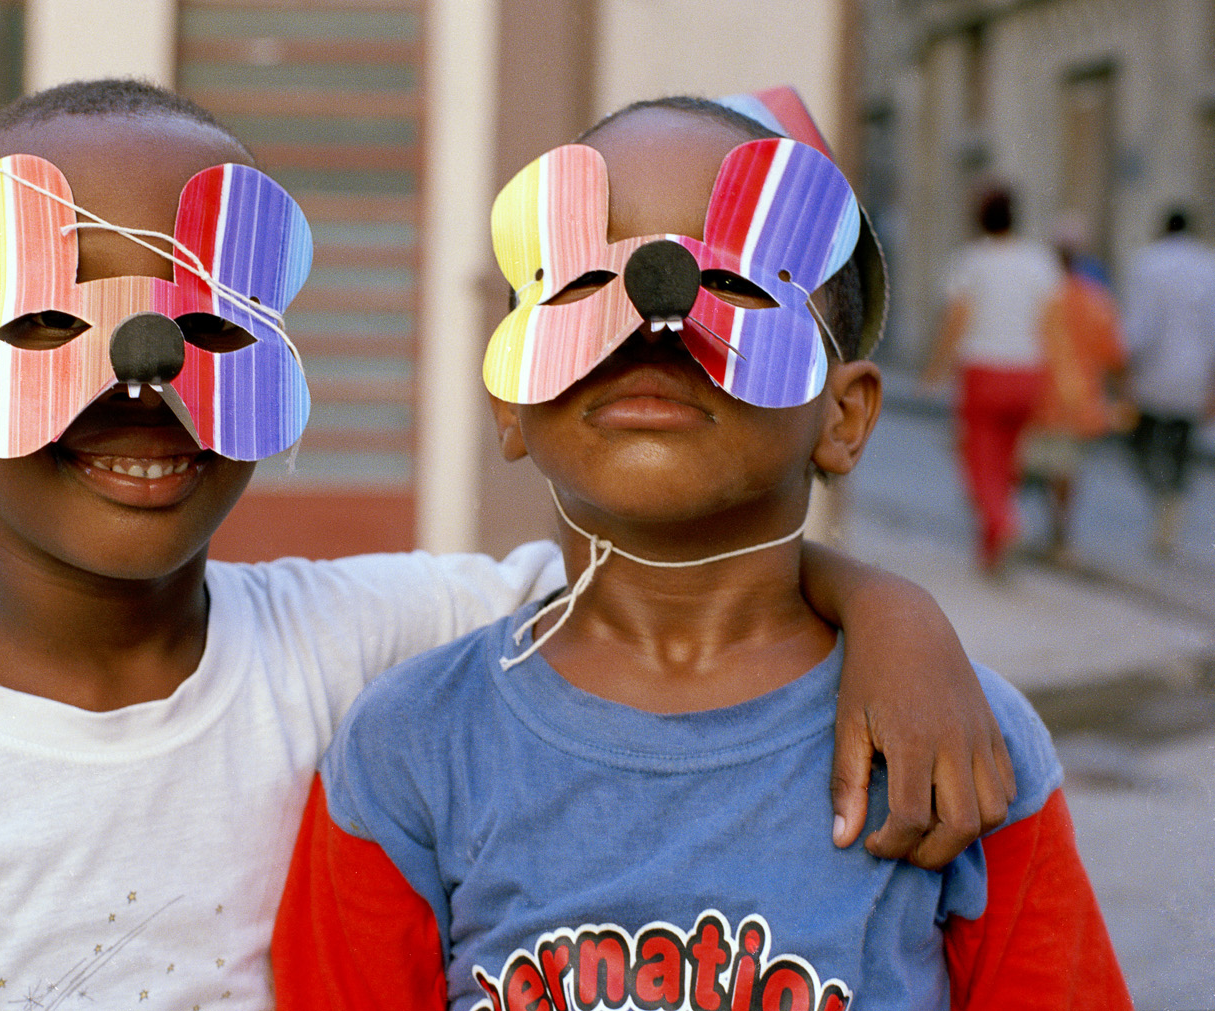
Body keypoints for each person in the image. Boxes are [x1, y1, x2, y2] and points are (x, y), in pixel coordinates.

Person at [0, 80, 1014, 1008]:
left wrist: (894, 613)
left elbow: (660, 574)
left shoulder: (353, 638)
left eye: (207, 330)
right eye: (54, 328)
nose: (141, 379)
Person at [272, 93, 1128, 1009]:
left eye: (739, 286)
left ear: (844, 417)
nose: (655, 311)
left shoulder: (956, 747)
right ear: (509, 398)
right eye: (579, 286)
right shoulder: (409, 751)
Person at [924, 187, 1062, 572]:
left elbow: (958, 318)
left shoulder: (970, 260)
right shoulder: (1040, 261)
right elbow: (1051, 324)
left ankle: (1004, 523)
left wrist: (936, 368)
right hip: (1028, 372)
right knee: (1007, 461)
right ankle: (990, 549)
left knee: (978, 458)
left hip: (984, 371)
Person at [1019, 218, 1129, 562]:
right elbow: (1114, 354)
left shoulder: (1039, 296)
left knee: (1035, 467)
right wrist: (1124, 394)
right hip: (1079, 401)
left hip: (1038, 397)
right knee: (1066, 471)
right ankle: (1059, 534)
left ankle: (1037, 529)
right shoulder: (1097, 299)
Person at [1121, 207, 1215, 558]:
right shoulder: (1209, 265)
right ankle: (1172, 500)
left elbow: (1138, 326)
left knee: (1138, 441)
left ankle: (1163, 496)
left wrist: (1126, 373)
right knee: (1182, 448)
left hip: (1154, 374)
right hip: (1194, 376)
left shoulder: (1147, 263)